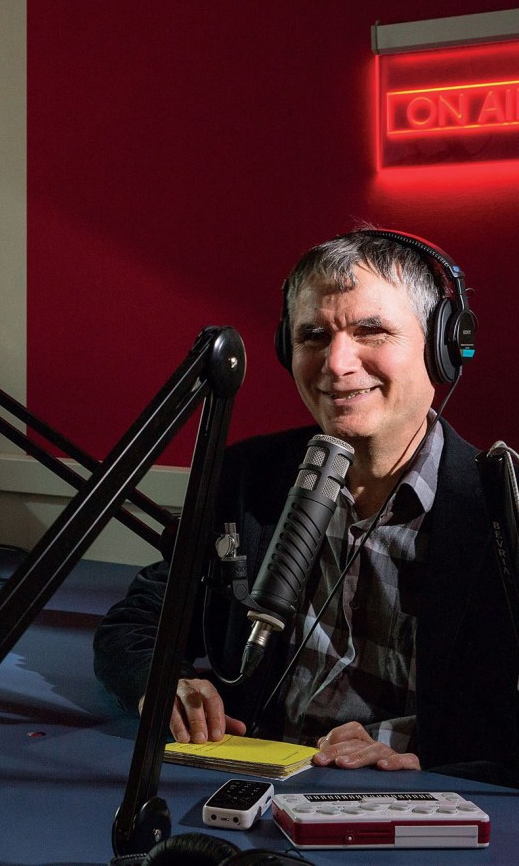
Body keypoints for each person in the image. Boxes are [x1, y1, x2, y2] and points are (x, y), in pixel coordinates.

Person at [94, 229, 519, 782]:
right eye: (314, 335)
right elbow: (136, 621)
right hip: (253, 793)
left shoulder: (500, 508)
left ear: (442, 347)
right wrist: (164, 683)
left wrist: (420, 744)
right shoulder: (249, 478)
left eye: (372, 331)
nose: (337, 363)